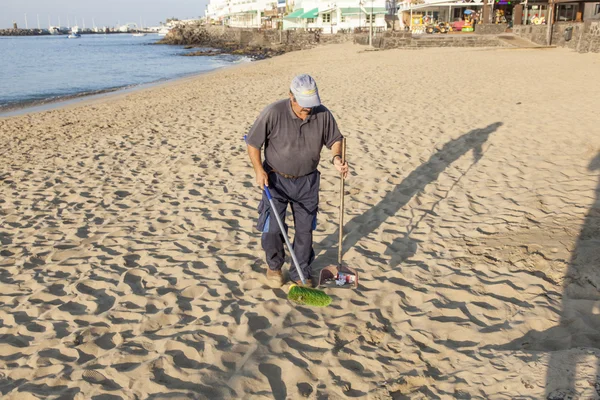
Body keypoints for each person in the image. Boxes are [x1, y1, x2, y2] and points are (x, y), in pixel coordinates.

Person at [246, 74, 349, 288]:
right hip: (275, 179)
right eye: (303, 105)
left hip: (308, 182)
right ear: (291, 96)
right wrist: (258, 170)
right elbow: (253, 144)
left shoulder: (322, 113)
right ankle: (274, 266)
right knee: (273, 228)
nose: (307, 109)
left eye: (311, 105)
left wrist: (337, 158)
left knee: (305, 231)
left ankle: (300, 273)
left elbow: (335, 139)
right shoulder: (273, 112)